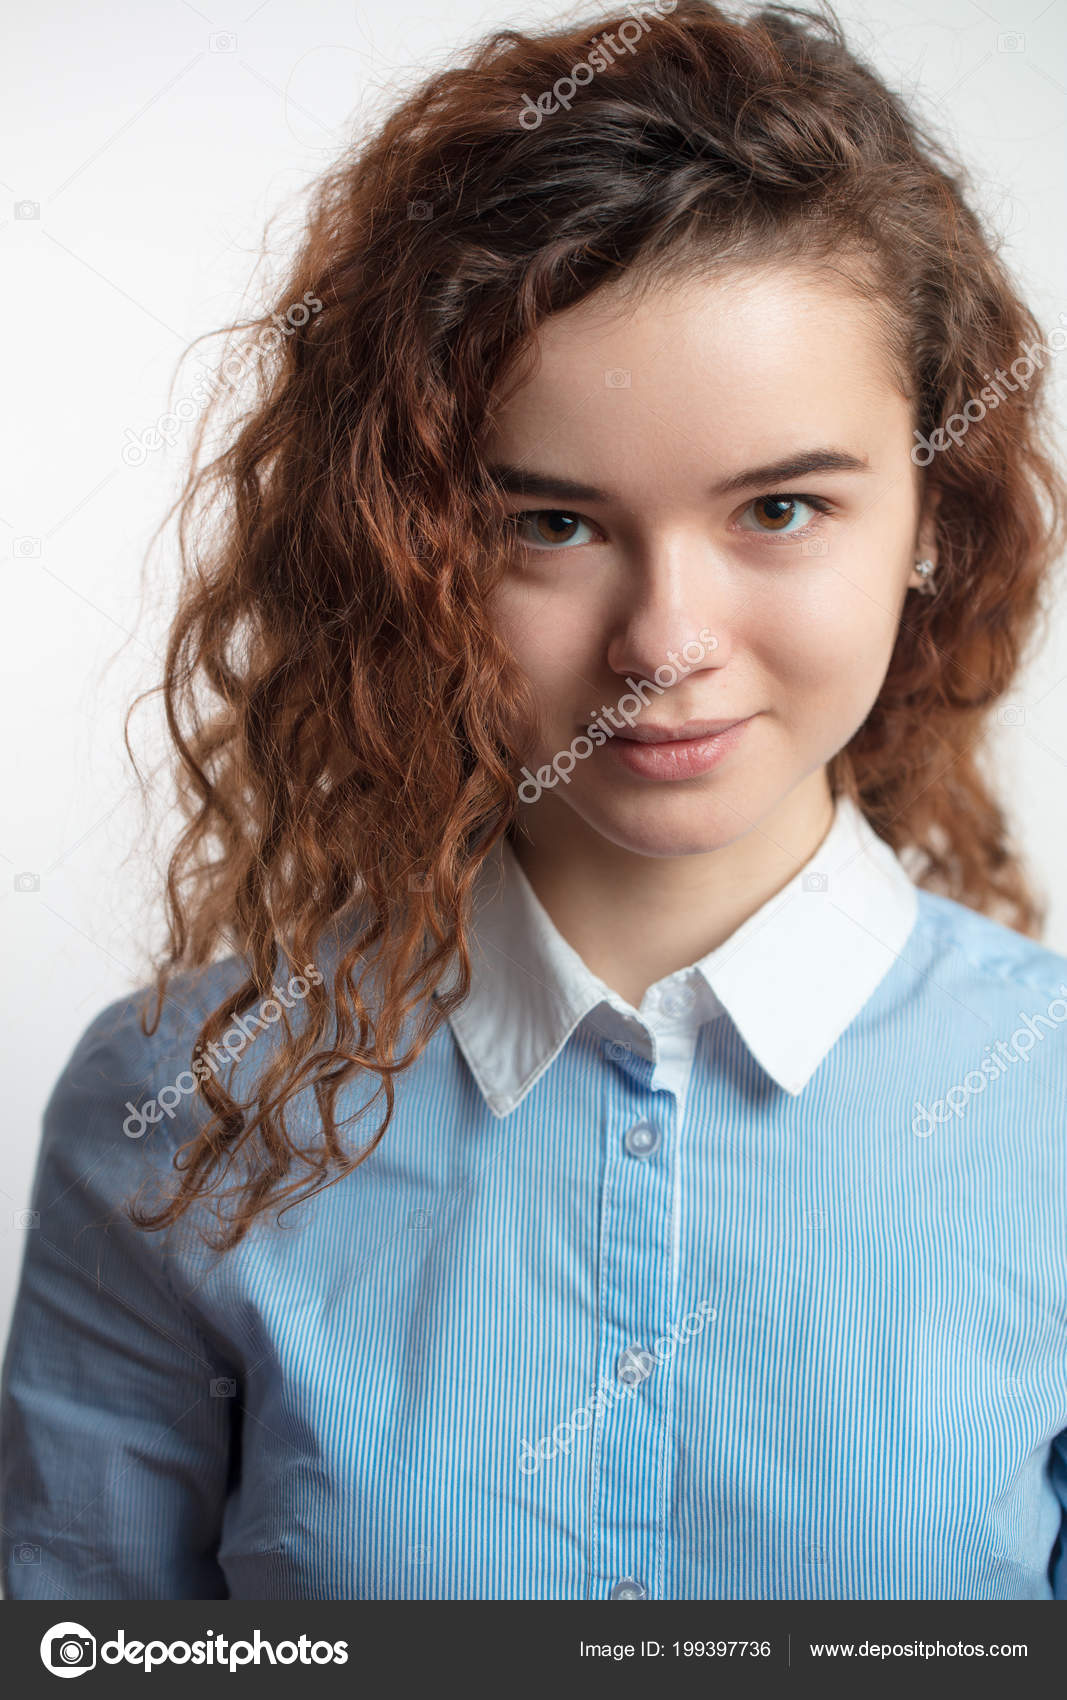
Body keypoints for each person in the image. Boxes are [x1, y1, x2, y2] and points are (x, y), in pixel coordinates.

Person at [3, 0, 1066, 1602]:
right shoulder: (174, 1113)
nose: (666, 648)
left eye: (782, 506)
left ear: (934, 510)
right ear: (412, 543)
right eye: (552, 527)